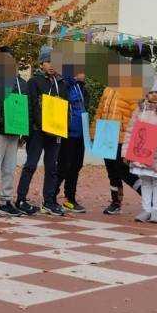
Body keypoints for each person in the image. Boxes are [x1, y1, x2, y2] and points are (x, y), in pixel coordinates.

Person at [14, 45, 68, 216]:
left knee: (52, 167)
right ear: (41, 63)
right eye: (48, 61)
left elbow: (65, 107)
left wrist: (61, 127)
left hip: (55, 132)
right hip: (38, 131)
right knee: (30, 165)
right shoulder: (34, 82)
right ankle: (21, 198)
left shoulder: (61, 83)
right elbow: (30, 107)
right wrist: (29, 130)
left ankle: (50, 200)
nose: (51, 65)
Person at [93, 55, 144, 215]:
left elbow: (136, 116)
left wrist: (133, 138)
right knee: (111, 171)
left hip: (122, 137)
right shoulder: (108, 89)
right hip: (106, 135)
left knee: (124, 170)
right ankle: (116, 201)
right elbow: (99, 112)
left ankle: (149, 199)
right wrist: (94, 132)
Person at [123, 77, 157, 223]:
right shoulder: (140, 110)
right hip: (141, 155)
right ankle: (146, 209)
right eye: (151, 92)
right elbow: (130, 132)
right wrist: (126, 152)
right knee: (145, 182)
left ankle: (156, 211)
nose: (154, 95)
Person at [0, 47, 27, 217]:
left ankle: (7, 200)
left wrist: (25, 133)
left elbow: (25, 108)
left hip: (15, 132)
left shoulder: (20, 83)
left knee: (9, 168)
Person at [54, 61, 90, 213]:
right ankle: (50, 195)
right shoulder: (63, 86)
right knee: (64, 166)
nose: (85, 74)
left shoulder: (83, 88)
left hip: (81, 133)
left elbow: (85, 107)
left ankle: (70, 198)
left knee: (76, 166)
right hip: (67, 132)